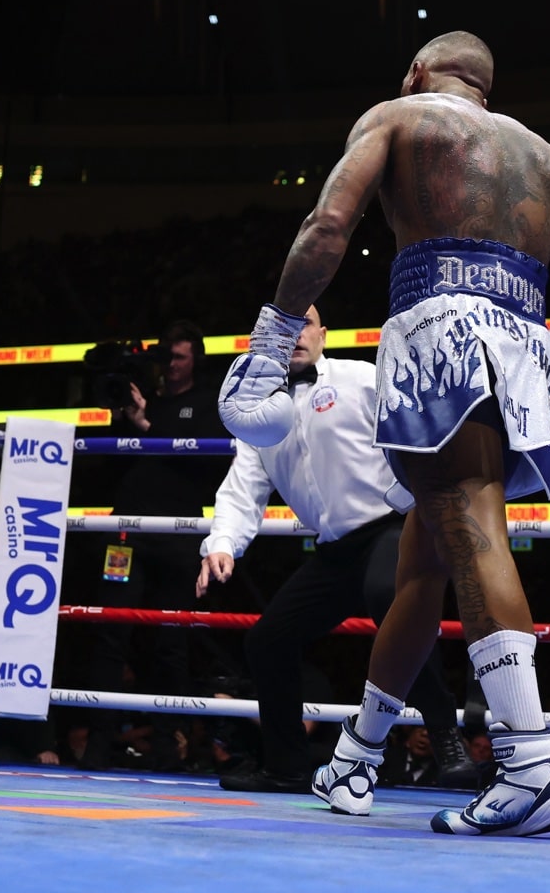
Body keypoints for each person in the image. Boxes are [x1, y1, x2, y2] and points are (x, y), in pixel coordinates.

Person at [218, 31, 550, 836]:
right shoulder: (545, 157)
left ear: (417, 72)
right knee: (423, 562)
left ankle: (531, 762)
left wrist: (270, 344)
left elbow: (326, 226)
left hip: (443, 335)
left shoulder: (399, 115)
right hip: (522, 347)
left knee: (469, 524)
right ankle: (356, 757)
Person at [197, 304, 475, 794]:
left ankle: (446, 737)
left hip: (392, 528)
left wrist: (420, 505)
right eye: (284, 329)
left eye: (304, 324)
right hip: (334, 550)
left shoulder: (360, 378)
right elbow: (243, 487)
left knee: (387, 597)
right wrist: (222, 544)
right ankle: (285, 766)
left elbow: (419, 435)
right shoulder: (256, 413)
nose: (296, 335)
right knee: (268, 641)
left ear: (323, 334)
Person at [83, 320, 230, 772]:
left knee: (172, 640)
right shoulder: (137, 399)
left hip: (178, 535)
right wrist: (126, 416)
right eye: (166, 356)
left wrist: (147, 424)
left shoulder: (206, 404)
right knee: (110, 632)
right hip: (127, 533)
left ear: (195, 360)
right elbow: (107, 465)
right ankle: (98, 745)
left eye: (179, 357)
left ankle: (168, 747)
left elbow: (206, 466)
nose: (171, 365)